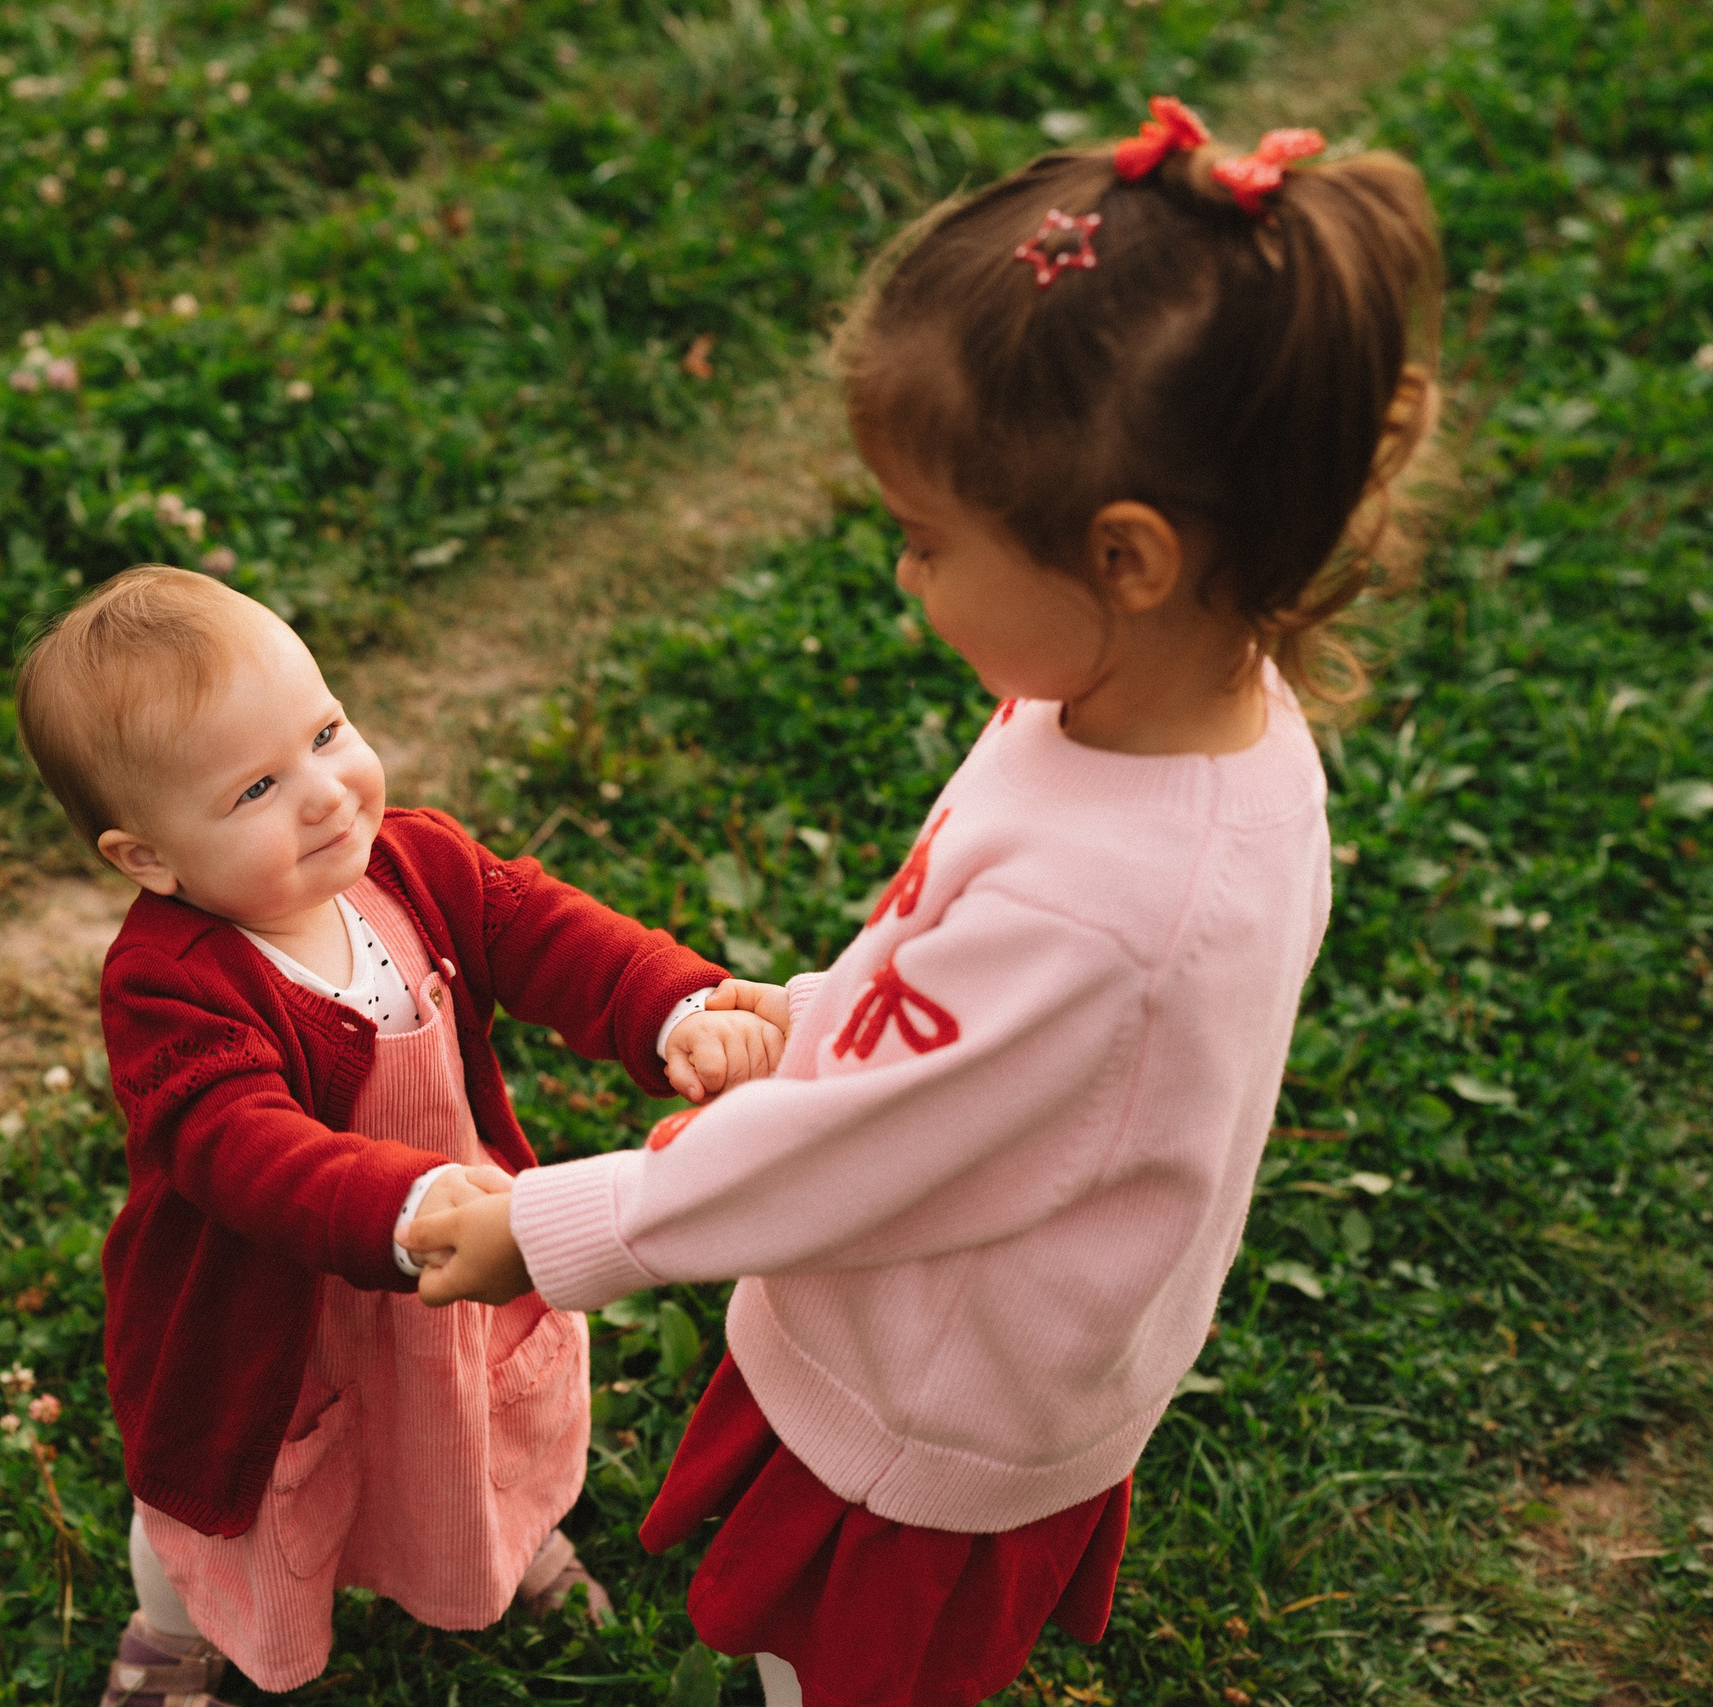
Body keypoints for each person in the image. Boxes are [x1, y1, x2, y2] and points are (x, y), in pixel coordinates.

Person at [406, 97, 1442, 1707]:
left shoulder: (1117, 908)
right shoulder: (1157, 702)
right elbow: (956, 976)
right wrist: (815, 1009)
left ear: (1126, 556)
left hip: (941, 1382)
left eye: (924, 540)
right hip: (960, 1309)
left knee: (833, 1665)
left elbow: (866, 1147)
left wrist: (553, 1231)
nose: (905, 580)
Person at [13, 565, 793, 1705]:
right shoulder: (166, 985)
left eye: (327, 732)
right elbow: (237, 1141)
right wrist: (406, 1203)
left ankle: (506, 1541)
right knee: (230, 1499)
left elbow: (539, 930)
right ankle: (174, 1632)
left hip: (448, 1261)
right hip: (266, 1317)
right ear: (148, 859)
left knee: (476, 1428)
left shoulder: (409, 864)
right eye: (255, 790)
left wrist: (674, 1006)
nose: (328, 794)